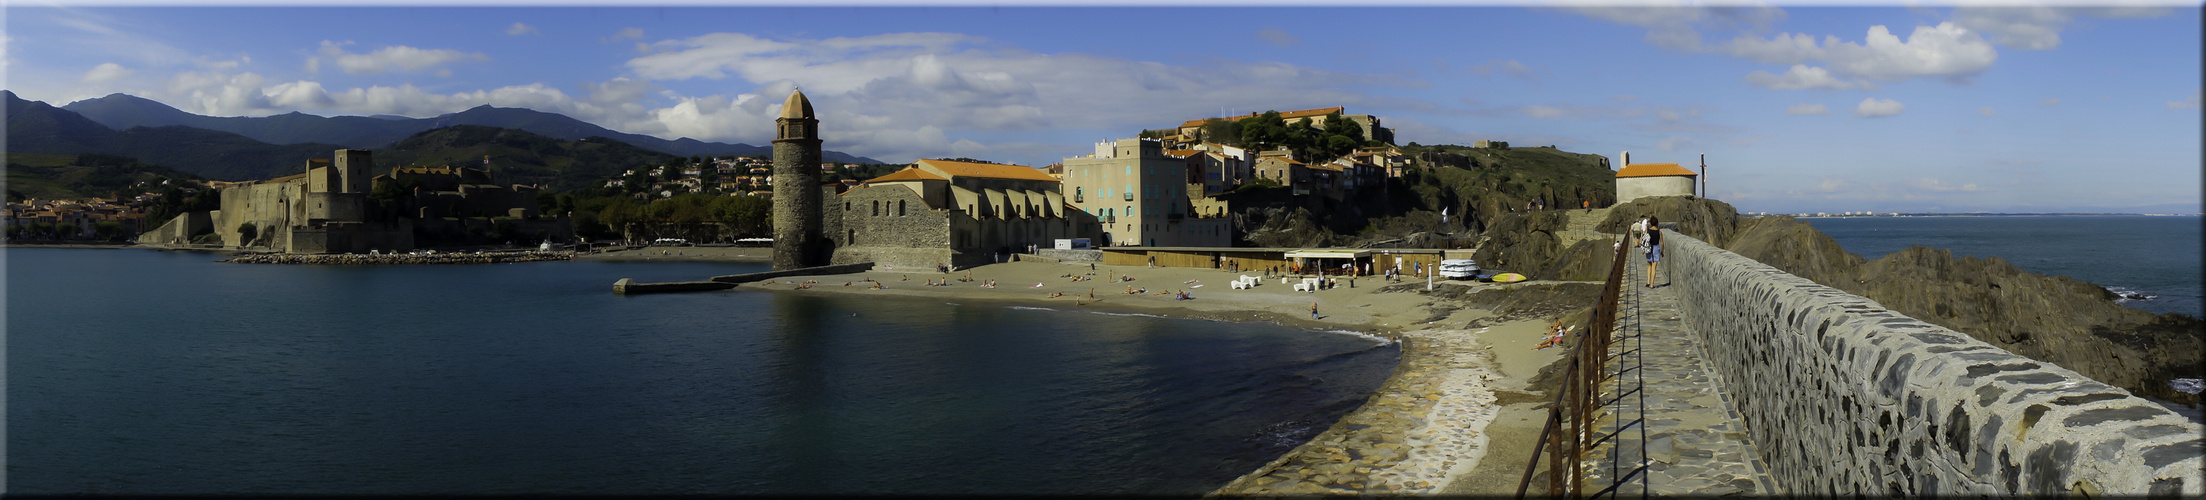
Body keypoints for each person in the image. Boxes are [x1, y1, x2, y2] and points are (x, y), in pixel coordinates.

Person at [1645, 216, 1663, 288]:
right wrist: (1662, 251)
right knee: (1654, 267)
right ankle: (1652, 284)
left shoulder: (1648, 231)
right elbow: (1662, 243)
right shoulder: (1659, 232)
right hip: (1656, 248)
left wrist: (1643, 250)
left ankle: (1648, 281)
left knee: (1649, 265)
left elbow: (1645, 240)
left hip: (1649, 248)